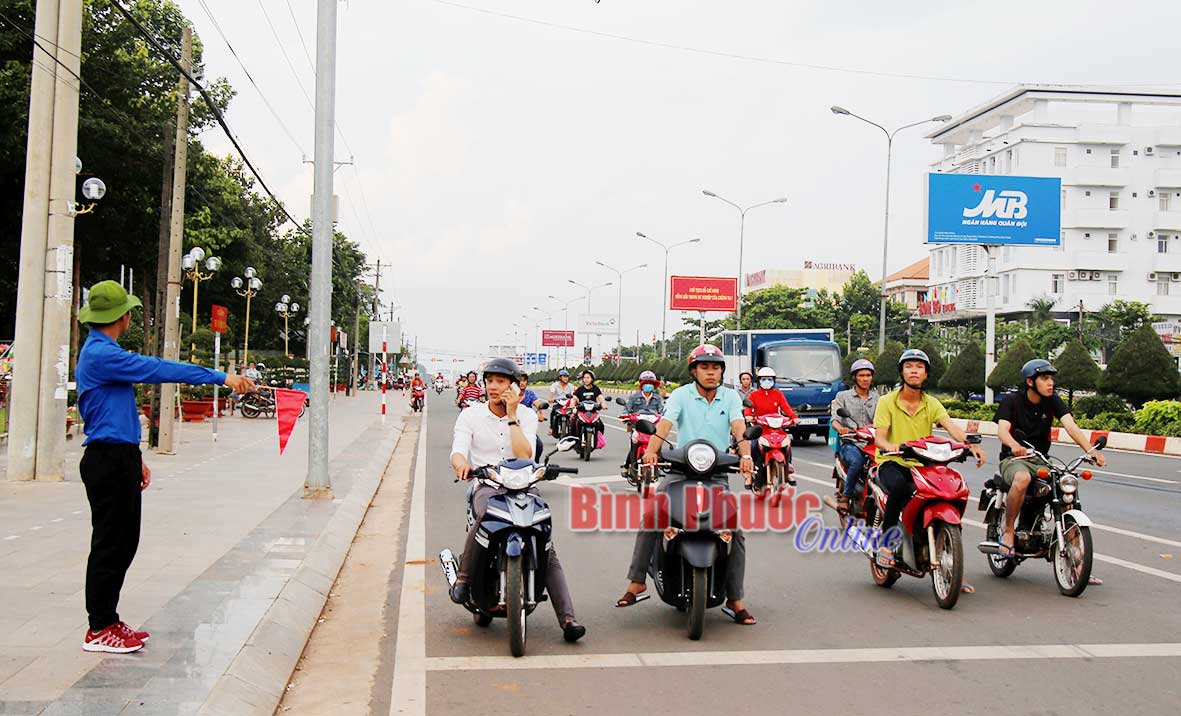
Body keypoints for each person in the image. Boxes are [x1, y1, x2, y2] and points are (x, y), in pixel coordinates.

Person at [73, 281, 256, 653]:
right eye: (128, 311)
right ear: (120, 316)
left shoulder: (105, 352)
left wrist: (136, 456)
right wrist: (222, 377)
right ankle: (99, 627)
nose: (130, 316)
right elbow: (158, 369)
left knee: (124, 541)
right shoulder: (101, 355)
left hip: (118, 455)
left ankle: (108, 618)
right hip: (106, 460)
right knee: (111, 544)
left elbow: (116, 413)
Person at [615, 344, 757, 625]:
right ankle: (637, 581)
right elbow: (665, 425)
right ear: (694, 371)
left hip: (716, 471)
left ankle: (735, 597)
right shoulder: (681, 394)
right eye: (704, 367)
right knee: (652, 517)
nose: (711, 372)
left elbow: (739, 427)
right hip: (681, 468)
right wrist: (652, 451)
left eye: (716, 367)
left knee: (734, 531)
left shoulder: (730, 397)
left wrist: (746, 455)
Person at [449, 358, 585, 642]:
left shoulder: (525, 415)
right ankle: (463, 578)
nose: (494, 387)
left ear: (514, 386)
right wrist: (461, 464)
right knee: (485, 517)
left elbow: (525, 456)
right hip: (488, 484)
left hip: (523, 486)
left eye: (500, 381)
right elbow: (459, 450)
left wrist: (512, 415)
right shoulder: (470, 415)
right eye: (490, 381)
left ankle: (568, 618)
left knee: (545, 539)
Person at [873, 349, 985, 568]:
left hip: (923, 464)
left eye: (919, 367)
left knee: (949, 490)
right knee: (899, 488)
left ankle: (953, 563)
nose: (914, 371)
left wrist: (970, 446)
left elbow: (951, 428)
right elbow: (880, 438)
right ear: (902, 372)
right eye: (909, 366)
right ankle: (886, 543)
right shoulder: (887, 401)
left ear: (926, 374)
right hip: (893, 461)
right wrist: (890, 446)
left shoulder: (931, 403)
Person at [994, 359, 1106, 560]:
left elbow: (1071, 427)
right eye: (1044, 378)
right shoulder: (1012, 401)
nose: (1050, 383)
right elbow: (1002, 431)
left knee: (1065, 486)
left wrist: (1091, 450)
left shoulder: (1052, 400)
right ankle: (1009, 531)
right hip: (1014, 459)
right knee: (1022, 478)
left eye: (1052, 379)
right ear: (1030, 382)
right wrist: (1014, 446)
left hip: (1041, 460)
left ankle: (1078, 560)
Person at [823, 359, 879, 512]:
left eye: (868, 375)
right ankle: (846, 496)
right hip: (852, 443)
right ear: (854, 377)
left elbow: (884, 419)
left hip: (873, 443)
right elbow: (835, 419)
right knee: (857, 462)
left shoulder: (877, 398)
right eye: (861, 375)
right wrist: (841, 428)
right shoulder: (843, 396)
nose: (865, 379)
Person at [744, 366, 799, 490]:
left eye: (769, 379)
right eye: (764, 379)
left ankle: (787, 468)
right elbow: (748, 409)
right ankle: (750, 474)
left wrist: (794, 417)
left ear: (774, 381)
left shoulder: (778, 394)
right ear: (759, 381)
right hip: (760, 429)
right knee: (752, 446)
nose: (767, 382)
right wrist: (748, 416)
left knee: (787, 444)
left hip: (776, 429)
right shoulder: (754, 395)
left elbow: (786, 408)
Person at [622, 371, 664, 470]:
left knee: (658, 443)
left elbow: (662, 410)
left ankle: (659, 464)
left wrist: (664, 417)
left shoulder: (657, 398)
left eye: (651, 383)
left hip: (652, 427)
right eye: (646, 383)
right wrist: (625, 416)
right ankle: (630, 466)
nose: (648, 385)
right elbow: (627, 409)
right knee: (634, 444)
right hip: (638, 426)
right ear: (641, 384)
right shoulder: (634, 397)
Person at [573, 369, 606, 446]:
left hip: (593, 411)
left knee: (600, 424)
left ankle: (598, 439)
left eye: (588, 377)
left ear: (592, 379)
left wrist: (603, 404)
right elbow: (574, 399)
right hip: (581, 411)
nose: (586, 379)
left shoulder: (595, 389)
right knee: (573, 421)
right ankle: (574, 440)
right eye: (584, 378)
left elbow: (600, 397)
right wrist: (574, 407)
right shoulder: (580, 389)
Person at [548, 369, 577, 436]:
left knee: (574, 414)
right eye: (564, 376)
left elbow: (574, 394)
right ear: (560, 377)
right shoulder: (554, 385)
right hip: (559, 403)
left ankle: (574, 430)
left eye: (567, 376)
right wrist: (551, 399)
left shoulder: (571, 386)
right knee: (553, 411)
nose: (566, 378)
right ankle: (552, 428)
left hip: (568, 404)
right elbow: (551, 393)